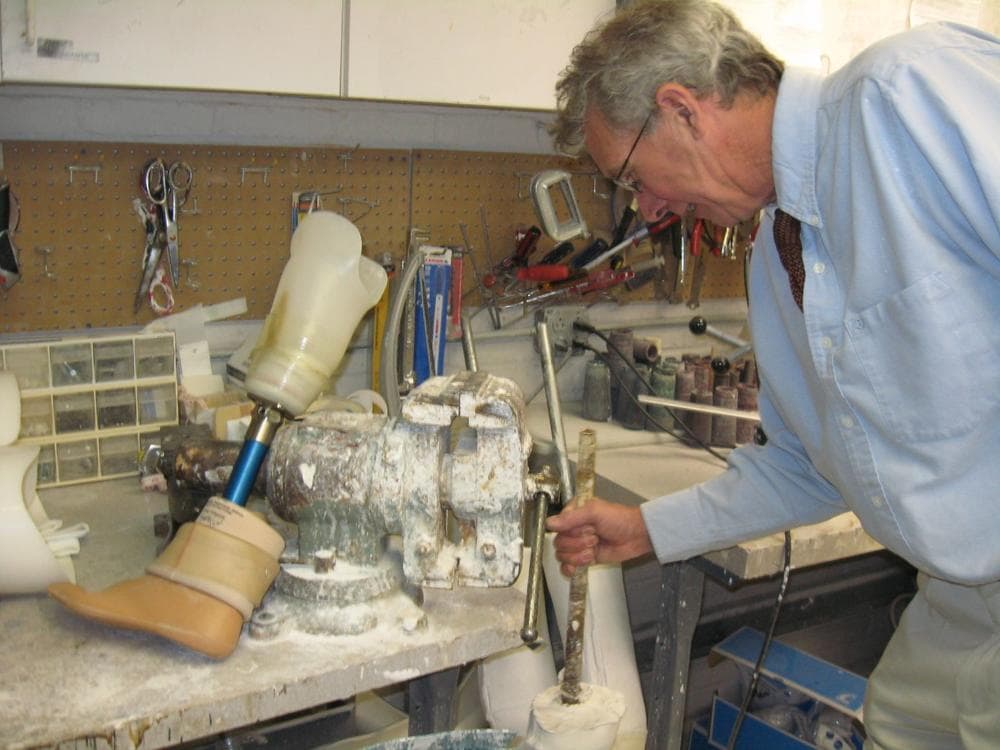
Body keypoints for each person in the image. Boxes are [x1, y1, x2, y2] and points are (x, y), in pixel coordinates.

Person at [544, 2, 999, 748]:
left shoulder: (907, 97)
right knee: (896, 728)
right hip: (956, 601)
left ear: (681, 109)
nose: (647, 210)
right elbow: (807, 463)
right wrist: (645, 530)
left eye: (629, 177)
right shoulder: (775, 254)